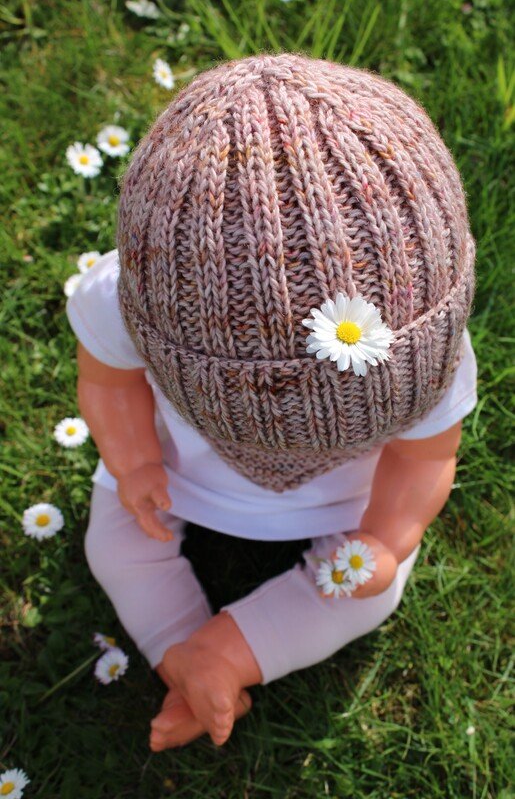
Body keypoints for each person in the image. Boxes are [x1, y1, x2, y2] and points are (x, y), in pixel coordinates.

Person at [66, 54, 478, 751]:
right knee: (116, 544)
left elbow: (423, 456)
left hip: (350, 505)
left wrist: (385, 537)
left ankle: (225, 653)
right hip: (178, 476)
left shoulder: (425, 352)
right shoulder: (126, 302)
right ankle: (184, 653)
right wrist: (133, 462)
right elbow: (108, 383)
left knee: (366, 589)